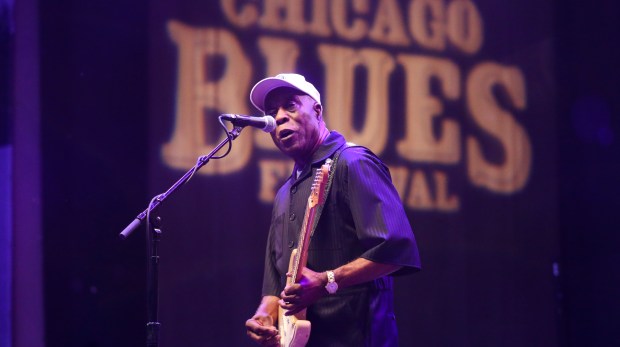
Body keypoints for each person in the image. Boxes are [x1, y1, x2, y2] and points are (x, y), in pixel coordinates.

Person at [244, 73, 421, 347]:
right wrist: (264, 317)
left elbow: (395, 251)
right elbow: (275, 284)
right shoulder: (283, 194)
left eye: (290, 106)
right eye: (271, 112)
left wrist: (328, 280)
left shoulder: (353, 162)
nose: (278, 117)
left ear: (317, 111)